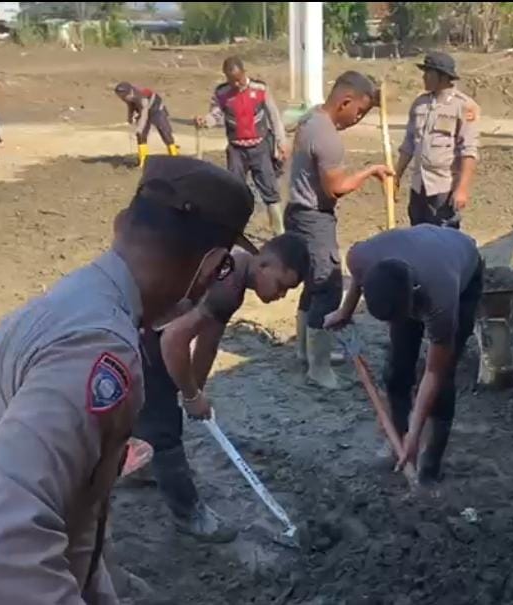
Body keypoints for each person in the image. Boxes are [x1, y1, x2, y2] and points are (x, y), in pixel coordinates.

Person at [0, 156, 257, 605]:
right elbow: (2, 550)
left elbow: (69, 517)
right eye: (221, 271)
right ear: (211, 267)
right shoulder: (96, 351)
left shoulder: (72, 303)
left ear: (120, 225)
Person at [136, 233, 310, 542]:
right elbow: (175, 340)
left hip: (151, 326)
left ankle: (145, 463)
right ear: (265, 262)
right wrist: (188, 395)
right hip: (142, 330)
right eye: (282, 285)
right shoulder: (228, 285)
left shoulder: (237, 272)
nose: (282, 296)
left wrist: (195, 392)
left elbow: (208, 341)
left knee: (151, 405)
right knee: (163, 425)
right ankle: (189, 514)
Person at [324, 225, 483, 482]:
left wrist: (416, 431)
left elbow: (434, 370)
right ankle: (398, 444)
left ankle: (429, 465)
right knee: (398, 369)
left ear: (413, 298)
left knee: (442, 380)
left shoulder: (441, 299)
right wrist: (345, 311)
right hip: (414, 261)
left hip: (460, 266)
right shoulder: (361, 258)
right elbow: (358, 278)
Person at [286, 70, 392, 389]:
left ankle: (306, 352)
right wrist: (371, 171)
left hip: (298, 211)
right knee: (328, 285)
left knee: (312, 284)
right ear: (345, 101)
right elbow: (336, 188)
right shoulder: (327, 136)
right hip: (314, 217)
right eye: (358, 111)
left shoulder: (312, 120)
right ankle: (318, 369)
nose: (357, 119)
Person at [196, 56, 289, 235]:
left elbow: (274, 117)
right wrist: (205, 121)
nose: (237, 84)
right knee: (234, 191)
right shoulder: (222, 93)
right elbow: (216, 115)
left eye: (238, 79)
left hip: (260, 147)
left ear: (244, 72)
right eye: (232, 81)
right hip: (236, 150)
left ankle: (279, 232)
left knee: (269, 190)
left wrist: (281, 142)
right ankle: (235, 231)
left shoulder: (260, 89)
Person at [393, 52, 480, 230]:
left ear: (442, 76)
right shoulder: (420, 104)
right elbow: (408, 144)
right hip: (419, 185)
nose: (423, 77)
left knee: (444, 239)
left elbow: (468, 151)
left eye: (428, 73)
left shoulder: (464, 106)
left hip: (444, 187)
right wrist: (396, 176)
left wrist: (462, 189)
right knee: (418, 235)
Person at [115, 82, 179, 169]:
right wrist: (130, 117)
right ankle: (143, 162)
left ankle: (175, 158)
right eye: (120, 96)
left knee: (164, 132)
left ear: (129, 93)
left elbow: (144, 113)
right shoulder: (125, 95)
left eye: (123, 96)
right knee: (141, 136)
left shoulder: (141, 96)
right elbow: (130, 105)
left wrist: (140, 128)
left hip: (155, 108)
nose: (122, 98)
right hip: (142, 108)